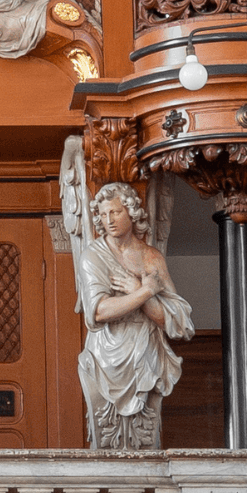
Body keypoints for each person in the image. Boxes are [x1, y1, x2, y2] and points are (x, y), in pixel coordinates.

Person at [77, 180, 193, 453]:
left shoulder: (151, 258)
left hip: (145, 357)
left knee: (147, 447)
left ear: (131, 212)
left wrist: (143, 295)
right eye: (103, 215)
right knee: (106, 444)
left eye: (115, 212)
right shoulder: (92, 257)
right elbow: (98, 312)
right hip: (106, 358)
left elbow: (180, 323)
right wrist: (144, 292)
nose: (109, 220)